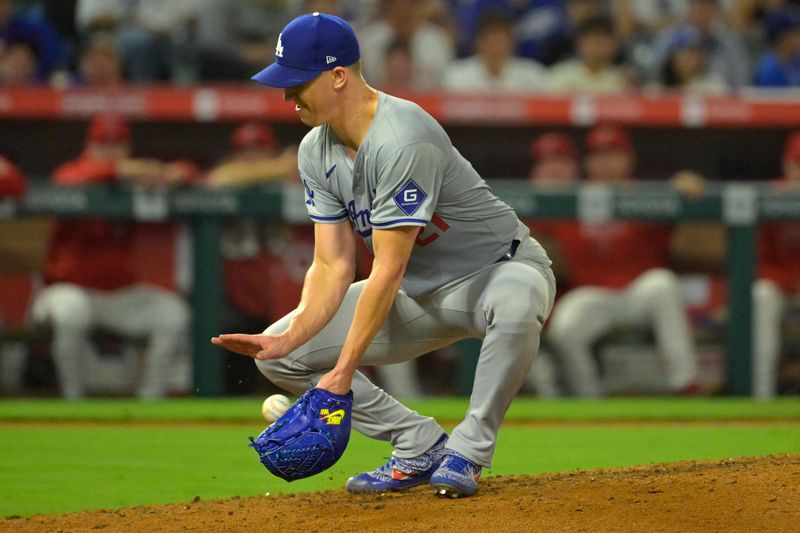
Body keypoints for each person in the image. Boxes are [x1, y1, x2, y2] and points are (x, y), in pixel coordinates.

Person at [212, 13, 555, 498]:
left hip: (495, 272)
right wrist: (298, 338)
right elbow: (331, 265)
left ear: (338, 76)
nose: (287, 97)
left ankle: (470, 450)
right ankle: (418, 444)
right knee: (277, 353)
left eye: (297, 83)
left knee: (518, 304)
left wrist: (343, 372)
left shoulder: (402, 137)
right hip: (418, 295)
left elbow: (388, 268)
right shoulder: (315, 149)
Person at [32, 113, 192, 400]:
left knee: (172, 313)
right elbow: (67, 179)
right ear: (89, 146)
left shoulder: (130, 176)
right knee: (72, 311)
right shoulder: (77, 173)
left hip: (118, 295)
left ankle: (149, 403)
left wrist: (171, 175)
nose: (110, 151)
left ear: (126, 148)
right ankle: (73, 401)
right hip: (65, 290)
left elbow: (189, 171)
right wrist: (119, 169)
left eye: (116, 145)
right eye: (102, 145)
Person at [540, 123, 699, 397]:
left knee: (663, 284)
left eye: (614, 154)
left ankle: (685, 382)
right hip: (593, 295)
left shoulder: (648, 196)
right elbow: (528, 225)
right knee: (564, 328)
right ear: (587, 162)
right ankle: (589, 401)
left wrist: (686, 189)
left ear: (629, 159)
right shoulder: (570, 198)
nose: (607, 162)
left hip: (639, 292)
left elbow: (690, 231)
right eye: (599, 155)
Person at [442, 11, 549, 93]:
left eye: (501, 41)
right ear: (479, 43)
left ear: (512, 44)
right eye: (492, 41)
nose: (497, 48)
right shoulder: (457, 77)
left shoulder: (532, 77)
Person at [547, 15, 630, 93]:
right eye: (595, 42)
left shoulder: (619, 79)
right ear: (579, 43)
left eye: (605, 42)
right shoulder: (562, 74)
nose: (599, 48)